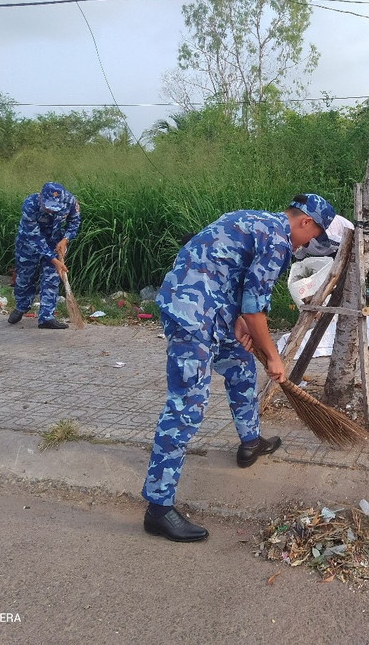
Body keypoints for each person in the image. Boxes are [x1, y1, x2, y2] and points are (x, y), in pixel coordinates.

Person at [142, 193, 337, 543]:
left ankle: (251, 441)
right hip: (191, 315)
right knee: (186, 407)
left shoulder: (253, 219)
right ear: (305, 221)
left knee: (241, 369)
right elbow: (254, 309)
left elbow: (229, 274)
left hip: (213, 308)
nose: (308, 244)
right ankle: (158, 507)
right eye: (313, 236)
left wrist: (239, 321)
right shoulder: (278, 240)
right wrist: (274, 357)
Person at [7, 182, 80, 329]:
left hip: (54, 241)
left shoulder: (70, 201)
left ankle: (46, 317)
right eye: (48, 207)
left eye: (54, 207)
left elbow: (74, 221)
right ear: (40, 197)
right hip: (29, 243)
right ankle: (21, 306)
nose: (51, 210)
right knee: (25, 277)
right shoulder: (30, 205)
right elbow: (35, 238)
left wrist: (65, 239)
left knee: (51, 278)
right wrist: (54, 260)